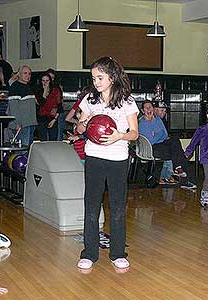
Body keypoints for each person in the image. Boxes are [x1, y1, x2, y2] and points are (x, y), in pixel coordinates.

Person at [76, 57, 139, 271]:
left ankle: (118, 253)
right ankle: (89, 253)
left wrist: (118, 136)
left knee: (118, 207)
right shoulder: (90, 100)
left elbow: (134, 134)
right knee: (91, 206)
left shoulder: (127, 102)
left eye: (100, 77)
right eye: (93, 78)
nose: (96, 82)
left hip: (118, 160)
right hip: (94, 157)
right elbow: (80, 130)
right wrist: (86, 122)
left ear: (112, 77)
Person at [139, 100, 196, 190]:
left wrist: (156, 134)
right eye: (146, 108)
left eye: (150, 107)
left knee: (175, 141)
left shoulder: (157, 119)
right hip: (152, 149)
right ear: (142, 111)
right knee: (179, 154)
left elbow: (165, 134)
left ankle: (178, 168)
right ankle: (183, 177)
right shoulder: (142, 123)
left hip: (162, 144)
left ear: (153, 109)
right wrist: (159, 134)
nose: (148, 109)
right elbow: (151, 141)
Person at [7, 66, 37, 146]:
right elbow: (13, 107)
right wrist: (17, 122)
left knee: (27, 149)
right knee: (22, 150)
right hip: (22, 125)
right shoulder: (15, 87)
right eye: (25, 73)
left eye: (29, 73)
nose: (28, 76)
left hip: (30, 124)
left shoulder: (28, 87)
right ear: (19, 74)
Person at [154, 102, 176, 184]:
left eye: (165, 111)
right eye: (162, 110)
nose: (164, 112)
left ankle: (166, 176)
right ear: (155, 110)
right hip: (153, 146)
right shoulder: (152, 120)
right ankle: (166, 176)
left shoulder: (162, 120)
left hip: (161, 144)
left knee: (173, 146)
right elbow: (155, 136)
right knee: (170, 151)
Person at [36, 73, 62, 141]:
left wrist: (54, 119)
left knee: (53, 140)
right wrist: (44, 91)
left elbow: (59, 106)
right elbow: (41, 103)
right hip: (41, 118)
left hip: (52, 118)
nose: (45, 82)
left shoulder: (55, 90)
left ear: (50, 81)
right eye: (43, 80)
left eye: (47, 80)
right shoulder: (38, 90)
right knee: (43, 140)